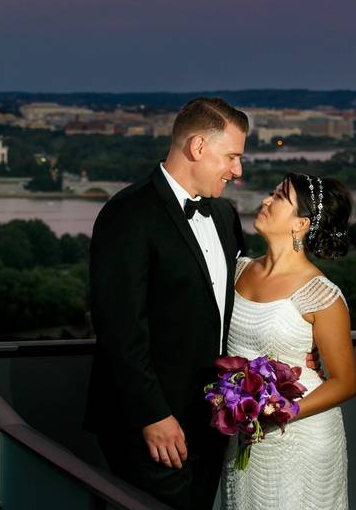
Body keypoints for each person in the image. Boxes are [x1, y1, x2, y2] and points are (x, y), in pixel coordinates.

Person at [84, 97, 249, 509]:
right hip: (150, 425)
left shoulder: (226, 216)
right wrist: (151, 416)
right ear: (197, 147)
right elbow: (119, 328)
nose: (238, 170)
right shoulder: (128, 213)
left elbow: (234, 309)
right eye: (231, 156)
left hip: (213, 418)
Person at [221, 174, 356, 509]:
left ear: (301, 223)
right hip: (243, 434)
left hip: (301, 436)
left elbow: (344, 382)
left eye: (279, 197)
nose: (266, 201)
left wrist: (279, 412)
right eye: (271, 193)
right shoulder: (237, 271)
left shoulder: (321, 295)